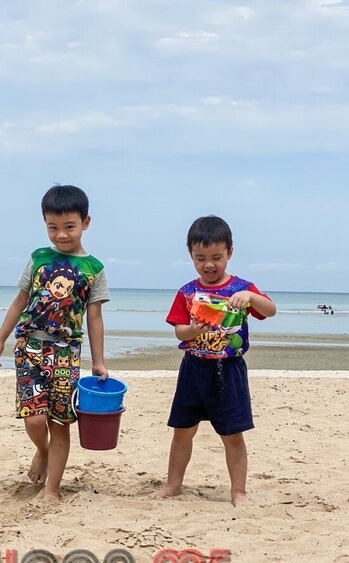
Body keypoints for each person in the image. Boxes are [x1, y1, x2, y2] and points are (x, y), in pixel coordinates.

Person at [0, 184, 110, 502]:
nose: (61, 235)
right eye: (52, 227)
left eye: (69, 227)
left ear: (86, 222)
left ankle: (52, 488)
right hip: (29, 347)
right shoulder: (38, 259)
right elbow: (19, 301)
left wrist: (99, 361)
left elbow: (94, 318)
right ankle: (41, 450)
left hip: (67, 354)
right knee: (34, 417)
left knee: (60, 421)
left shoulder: (94, 269)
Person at [152, 216, 276, 506]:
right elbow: (178, 331)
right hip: (193, 368)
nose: (209, 265)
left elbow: (270, 310)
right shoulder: (186, 292)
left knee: (232, 433)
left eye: (217, 258)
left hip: (229, 369)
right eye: (201, 258)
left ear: (229, 253)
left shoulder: (243, 288)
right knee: (182, 430)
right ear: (190, 255)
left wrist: (250, 297)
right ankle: (173, 484)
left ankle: (238, 492)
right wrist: (193, 330)